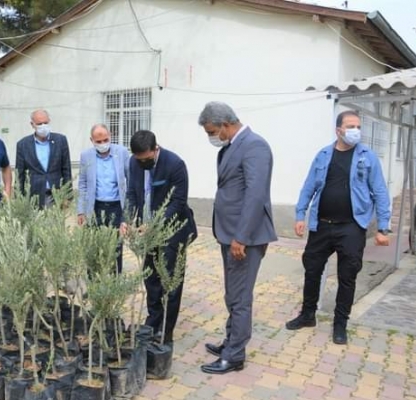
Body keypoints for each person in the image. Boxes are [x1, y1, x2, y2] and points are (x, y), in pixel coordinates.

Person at [286, 110, 390, 345]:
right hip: (321, 226)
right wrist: (300, 214)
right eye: (351, 126)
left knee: (347, 276)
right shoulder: (323, 155)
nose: (356, 131)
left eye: (358, 127)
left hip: (351, 227)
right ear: (338, 130)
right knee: (312, 270)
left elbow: (380, 192)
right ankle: (307, 315)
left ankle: (340, 324)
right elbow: (308, 185)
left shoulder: (367, 156)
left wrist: (383, 228)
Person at [198, 101, 277, 374]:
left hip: (245, 238)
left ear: (226, 125)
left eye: (212, 131)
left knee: (240, 297)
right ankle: (231, 341)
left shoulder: (255, 146)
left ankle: (234, 356)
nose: (211, 136)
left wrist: (241, 237)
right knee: (232, 293)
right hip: (229, 232)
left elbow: (255, 196)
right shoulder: (232, 147)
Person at [122, 130, 197, 344]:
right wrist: (128, 219)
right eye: (139, 159)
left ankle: (166, 331)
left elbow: (178, 202)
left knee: (170, 281)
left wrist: (154, 224)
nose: (143, 163)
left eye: (147, 159)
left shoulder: (174, 164)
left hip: (172, 231)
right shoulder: (133, 163)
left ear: (156, 149)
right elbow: (132, 194)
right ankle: (153, 320)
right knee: (151, 277)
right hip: (146, 232)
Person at [77, 123, 129, 273]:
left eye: (105, 140)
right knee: (93, 245)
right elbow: (83, 184)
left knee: (116, 246)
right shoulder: (86, 156)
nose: (102, 144)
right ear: (91, 140)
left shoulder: (122, 152)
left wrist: (128, 212)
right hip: (95, 207)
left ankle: (114, 283)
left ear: (110, 136)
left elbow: (130, 179)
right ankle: (93, 283)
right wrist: (81, 210)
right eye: (98, 142)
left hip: (116, 206)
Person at [16, 109, 72, 207]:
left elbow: (66, 169)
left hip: (56, 194)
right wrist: (19, 198)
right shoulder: (23, 144)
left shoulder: (60, 140)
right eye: (39, 123)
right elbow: (20, 174)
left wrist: (68, 195)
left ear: (49, 121)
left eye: (45, 123)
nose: (43, 126)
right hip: (34, 196)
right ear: (32, 124)